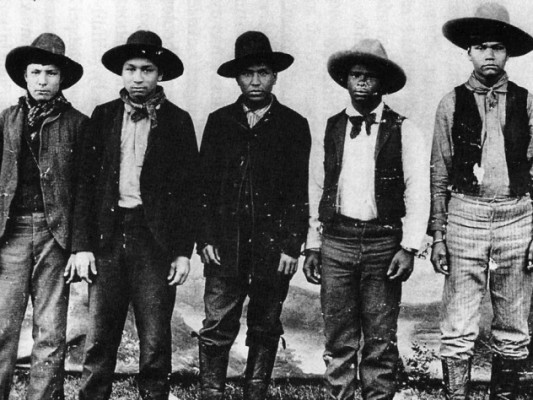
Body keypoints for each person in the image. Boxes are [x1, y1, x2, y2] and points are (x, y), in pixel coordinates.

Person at [71, 30, 198, 400]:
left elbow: (190, 193)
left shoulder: (177, 121)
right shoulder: (104, 116)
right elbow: (86, 186)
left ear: (160, 75)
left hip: (153, 243)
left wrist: (182, 251)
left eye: (147, 69)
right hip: (108, 239)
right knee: (99, 339)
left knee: (156, 341)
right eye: (131, 69)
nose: (138, 78)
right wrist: (82, 246)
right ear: (121, 73)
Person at [303, 38, 430, 400]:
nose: (361, 82)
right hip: (337, 241)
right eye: (355, 75)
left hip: (382, 244)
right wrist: (313, 245)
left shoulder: (405, 130)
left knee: (379, 337)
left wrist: (408, 247)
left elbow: (417, 191)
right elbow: (316, 187)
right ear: (345, 80)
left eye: (370, 77)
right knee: (339, 336)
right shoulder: (329, 128)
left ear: (383, 84)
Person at [196, 31, 311, 400]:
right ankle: (211, 392)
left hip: (272, 247)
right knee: (217, 322)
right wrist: (206, 238)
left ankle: (255, 392)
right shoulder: (219, 122)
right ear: (237, 78)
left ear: (275, 76)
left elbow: (299, 191)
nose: (256, 80)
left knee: (264, 323)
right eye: (248, 73)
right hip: (225, 245)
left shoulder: (293, 125)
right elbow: (205, 188)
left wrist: (292, 246)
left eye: (263, 72)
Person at [430, 3, 533, 399]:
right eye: (480, 47)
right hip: (465, 216)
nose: (489, 54)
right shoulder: (451, 102)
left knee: (513, 322)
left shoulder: (525, 101)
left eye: (497, 47)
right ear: (468, 53)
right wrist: (439, 234)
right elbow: (439, 172)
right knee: (458, 322)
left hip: (517, 216)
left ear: (508, 53)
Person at [0, 33, 87, 400]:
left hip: (56, 235)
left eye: (51, 73)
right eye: (34, 72)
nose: (42, 81)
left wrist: (79, 245)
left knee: (50, 329)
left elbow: (85, 191)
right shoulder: (6, 120)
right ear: (23, 76)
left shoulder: (79, 124)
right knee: (2, 326)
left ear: (62, 79)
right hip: (12, 233)